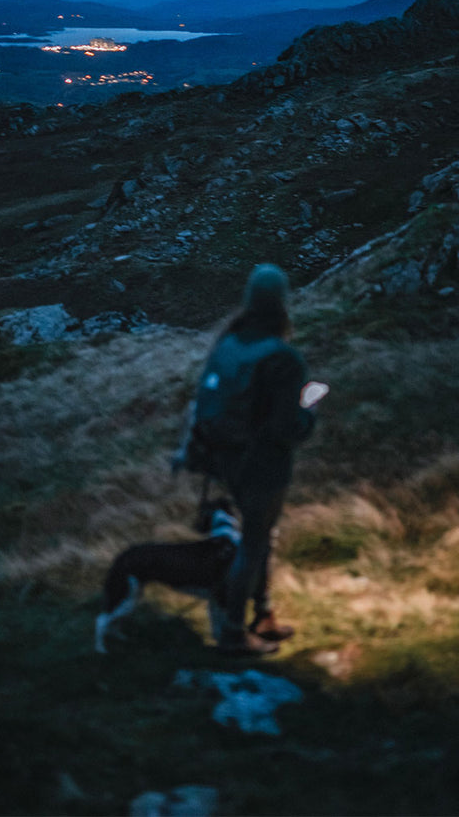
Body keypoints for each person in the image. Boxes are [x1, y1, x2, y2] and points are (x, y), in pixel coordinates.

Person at [190, 264, 319, 656]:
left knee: (257, 537)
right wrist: (308, 407)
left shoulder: (228, 344)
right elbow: (287, 428)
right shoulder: (283, 357)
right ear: (282, 302)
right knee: (256, 542)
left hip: (227, 461)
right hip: (264, 464)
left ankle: (262, 615)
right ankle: (233, 631)